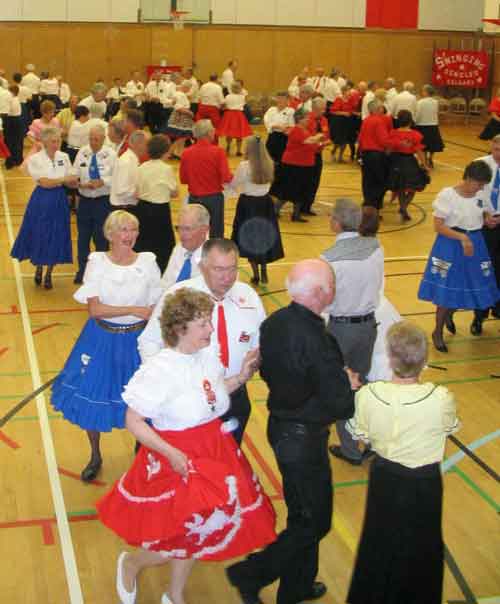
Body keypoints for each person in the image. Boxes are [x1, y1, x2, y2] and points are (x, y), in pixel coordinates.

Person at [96, 287, 276, 604]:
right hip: (175, 454)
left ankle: (174, 594)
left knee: (200, 530)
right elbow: (134, 420)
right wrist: (170, 452)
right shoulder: (159, 370)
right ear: (181, 329)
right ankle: (132, 563)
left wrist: (242, 377)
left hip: (214, 451)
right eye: (204, 324)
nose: (211, 329)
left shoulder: (207, 355)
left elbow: (214, 393)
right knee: (173, 535)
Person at [226, 259, 358, 604]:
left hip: (282, 429)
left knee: (303, 515)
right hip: (304, 441)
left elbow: (271, 372)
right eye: (330, 285)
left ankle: (296, 587)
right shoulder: (319, 340)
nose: (333, 291)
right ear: (318, 293)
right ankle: (251, 574)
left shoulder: (273, 323)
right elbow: (341, 405)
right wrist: (349, 384)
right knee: (314, 522)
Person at [346, 321, 460, 604]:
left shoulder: (369, 395)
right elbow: (449, 426)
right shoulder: (440, 397)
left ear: (391, 358)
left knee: (378, 540)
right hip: (426, 481)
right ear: (425, 360)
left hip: (385, 477)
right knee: (424, 544)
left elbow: (359, 434)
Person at [51, 210, 162, 482]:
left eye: (133, 230)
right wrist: (134, 309)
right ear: (109, 234)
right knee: (92, 396)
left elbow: (157, 303)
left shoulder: (148, 262)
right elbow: (96, 309)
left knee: (145, 401)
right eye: (123, 230)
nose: (129, 235)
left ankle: (143, 455)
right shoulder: (97, 262)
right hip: (101, 338)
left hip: (138, 342)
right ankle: (95, 455)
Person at [139, 239, 266, 445]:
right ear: (202, 267)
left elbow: (260, 343)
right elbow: (149, 341)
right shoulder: (179, 296)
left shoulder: (249, 296)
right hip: (186, 400)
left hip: (234, 396)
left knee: (227, 465)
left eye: (232, 269)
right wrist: (162, 379)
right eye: (219, 269)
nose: (227, 277)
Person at [321, 199, 383, 465]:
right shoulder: (376, 247)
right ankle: (368, 439)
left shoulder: (328, 259)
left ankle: (350, 449)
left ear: (336, 223)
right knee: (363, 385)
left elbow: (325, 301)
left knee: (340, 387)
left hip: (341, 329)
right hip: (368, 326)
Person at [418, 160, 500, 352]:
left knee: (472, 285)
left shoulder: (480, 194)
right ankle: (437, 331)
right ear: (469, 179)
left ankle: (450, 313)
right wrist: (462, 237)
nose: (480, 188)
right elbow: (438, 226)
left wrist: (487, 219)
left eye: (482, 186)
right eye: (478, 184)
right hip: (450, 245)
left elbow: (484, 211)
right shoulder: (448, 195)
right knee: (446, 291)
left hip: (475, 244)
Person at [11, 127, 77, 289]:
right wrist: (63, 179)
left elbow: (71, 179)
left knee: (57, 234)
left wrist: (72, 180)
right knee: (41, 233)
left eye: (59, 141)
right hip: (42, 200)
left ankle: (49, 273)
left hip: (59, 200)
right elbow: (44, 183)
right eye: (54, 141)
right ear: (45, 142)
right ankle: (39, 267)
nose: (57, 144)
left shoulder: (64, 156)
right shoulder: (36, 159)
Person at [230, 136, 284, 285]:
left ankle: (256, 275)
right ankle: (264, 270)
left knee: (249, 239)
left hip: (248, 205)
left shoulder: (244, 166)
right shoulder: (270, 164)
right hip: (265, 204)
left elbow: (235, 184)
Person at [72, 125, 116, 284]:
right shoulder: (83, 152)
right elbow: (75, 172)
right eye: (91, 139)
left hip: (102, 202)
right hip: (84, 202)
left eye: (96, 139)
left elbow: (116, 177)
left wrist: (103, 181)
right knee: (83, 238)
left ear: (104, 139)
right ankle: (82, 271)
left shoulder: (111, 155)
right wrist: (76, 182)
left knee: (101, 239)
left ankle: (100, 273)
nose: (93, 142)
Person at [180, 119, 233, 238]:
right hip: (213, 199)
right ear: (209, 133)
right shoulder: (218, 152)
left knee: (195, 235)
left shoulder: (186, 153)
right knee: (216, 235)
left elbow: (183, 180)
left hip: (194, 199)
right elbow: (226, 177)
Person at [134, 134, 177, 273]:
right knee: (163, 246)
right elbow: (174, 192)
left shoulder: (141, 167)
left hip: (143, 208)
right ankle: (161, 273)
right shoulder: (166, 169)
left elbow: (137, 191)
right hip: (160, 210)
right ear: (166, 151)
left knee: (144, 243)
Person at [274, 108, 325, 223]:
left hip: (303, 165)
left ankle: (296, 214)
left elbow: (311, 144)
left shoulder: (304, 130)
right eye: (306, 117)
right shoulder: (297, 130)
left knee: (301, 191)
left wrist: (320, 143)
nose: (308, 119)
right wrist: (319, 137)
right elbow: (308, 141)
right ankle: (275, 210)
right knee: (288, 191)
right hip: (293, 166)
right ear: (299, 119)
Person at [474, 136, 500, 327]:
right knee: (483, 269)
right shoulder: (480, 165)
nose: (498, 152)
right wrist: (484, 216)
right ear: (491, 146)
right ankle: (479, 314)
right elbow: (470, 194)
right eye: (496, 148)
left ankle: (498, 308)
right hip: (482, 223)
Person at [387, 109, 429, 221]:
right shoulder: (416, 135)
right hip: (409, 162)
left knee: (400, 188)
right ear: (410, 121)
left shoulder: (393, 133)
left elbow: (389, 149)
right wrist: (425, 165)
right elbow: (420, 151)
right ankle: (403, 207)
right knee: (412, 188)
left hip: (396, 161)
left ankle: (403, 207)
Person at [161, 204, 210, 290]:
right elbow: (165, 283)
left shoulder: (215, 257)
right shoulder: (179, 248)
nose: (181, 234)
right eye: (179, 228)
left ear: (204, 230)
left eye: (187, 229)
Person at [357, 99, 391, 212]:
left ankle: (368, 204)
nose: (383, 109)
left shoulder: (366, 120)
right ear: (377, 109)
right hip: (377, 155)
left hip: (366, 154)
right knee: (380, 182)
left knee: (367, 181)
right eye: (381, 107)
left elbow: (360, 138)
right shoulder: (379, 121)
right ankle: (374, 207)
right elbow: (384, 140)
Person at [304, 97, 330, 216]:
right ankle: (300, 206)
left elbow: (326, 135)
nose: (324, 111)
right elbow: (305, 139)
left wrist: (325, 141)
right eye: (321, 109)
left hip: (318, 154)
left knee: (315, 181)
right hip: (306, 155)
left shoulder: (324, 120)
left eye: (324, 109)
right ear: (314, 108)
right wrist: (318, 142)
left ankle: (308, 206)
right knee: (305, 181)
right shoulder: (306, 120)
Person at [110, 130, 147, 209]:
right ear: (138, 144)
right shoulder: (126, 161)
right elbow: (121, 190)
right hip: (123, 208)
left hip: (127, 206)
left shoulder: (132, 159)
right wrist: (140, 193)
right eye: (145, 144)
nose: (147, 147)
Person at [217, 81, 253, 156]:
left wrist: (224, 107)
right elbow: (244, 105)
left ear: (231, 88)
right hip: (239, 115)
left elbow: (223, 105)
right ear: (240, 89)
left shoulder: (228, 96)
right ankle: (238, 150)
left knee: (229, 133)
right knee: (239, 134)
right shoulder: (242, 97)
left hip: (229, 115)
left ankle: (228, 146)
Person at [415, 84, 444, 168]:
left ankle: (424, 162)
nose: (422, 92)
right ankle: (430, 158)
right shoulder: (435, 102)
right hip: (433, 125)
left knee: (423, 146)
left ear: (426, 92)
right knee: (432, 145)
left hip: (423, 125)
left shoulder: (420, 102)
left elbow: (418, 114)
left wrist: (415, 122)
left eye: (423, 90)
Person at [164, 80, 194, 158]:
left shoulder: (178, 93)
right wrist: (190, 113)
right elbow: (179, 108)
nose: (189, 90)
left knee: (182, 138)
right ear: (185, 87)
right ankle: (171, 152)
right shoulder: (181, 95)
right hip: (181, 117)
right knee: (182, 137)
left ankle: (178, 153)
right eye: (189, 88)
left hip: (180, 117)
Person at [329, 85, 353, 163]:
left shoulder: (350, 100)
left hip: (347, 122)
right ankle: (333, 152)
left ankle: (340, 156)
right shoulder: (338, 99)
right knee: (338, 141)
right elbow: (333, 111)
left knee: (345, 141)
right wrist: (343, 113)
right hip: (338, 122)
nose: (350, 92)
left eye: (350, 91)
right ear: (344, 92)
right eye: (348, 91)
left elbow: (351, 110)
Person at [4, 85, 24, 169]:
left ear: (12, 92)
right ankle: (17, 160)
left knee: (10, 142)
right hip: (17, 121)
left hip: (12, 121)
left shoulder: (12, 100)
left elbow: (6, 111)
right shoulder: (16, 99)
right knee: (17, 141)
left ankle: (11, 161)